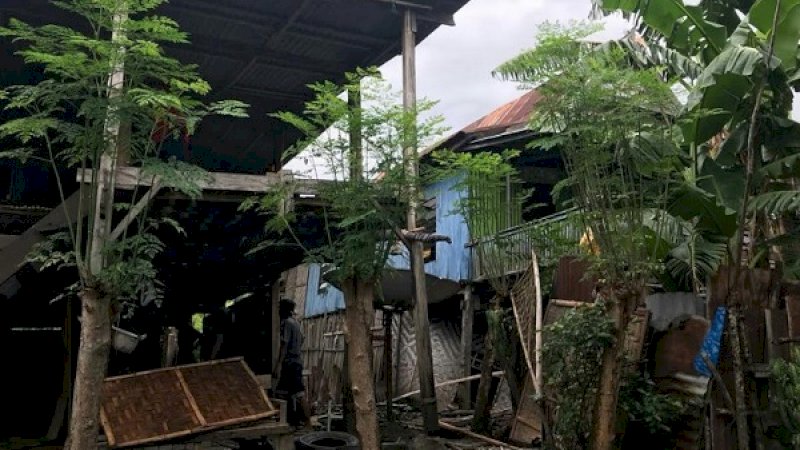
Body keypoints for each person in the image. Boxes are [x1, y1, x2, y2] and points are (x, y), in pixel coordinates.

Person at [273, 298, 310, 427]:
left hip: (289, 363)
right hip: (297, 361)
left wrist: (278, 365)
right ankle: (297, 422)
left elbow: (284, 344)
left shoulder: (286, 323)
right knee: (295, 393)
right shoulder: (296, 323)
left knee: (283, 393)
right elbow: (303, 339)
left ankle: (301, 422)